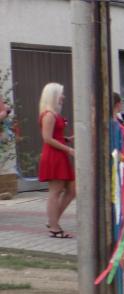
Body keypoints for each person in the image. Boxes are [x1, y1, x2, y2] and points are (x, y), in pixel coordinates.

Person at [37, 82, 76, 239]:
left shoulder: (53, 114)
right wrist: (69, 149)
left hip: (59, 154)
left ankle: (53, 220)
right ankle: (54, 227)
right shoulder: (49, 115)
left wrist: (67, 139)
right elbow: (47, 138)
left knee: (72, 190)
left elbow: (55, 136)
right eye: (61, 93)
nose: (63, 96)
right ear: (53, 95)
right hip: (54, 156)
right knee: (55, 191)